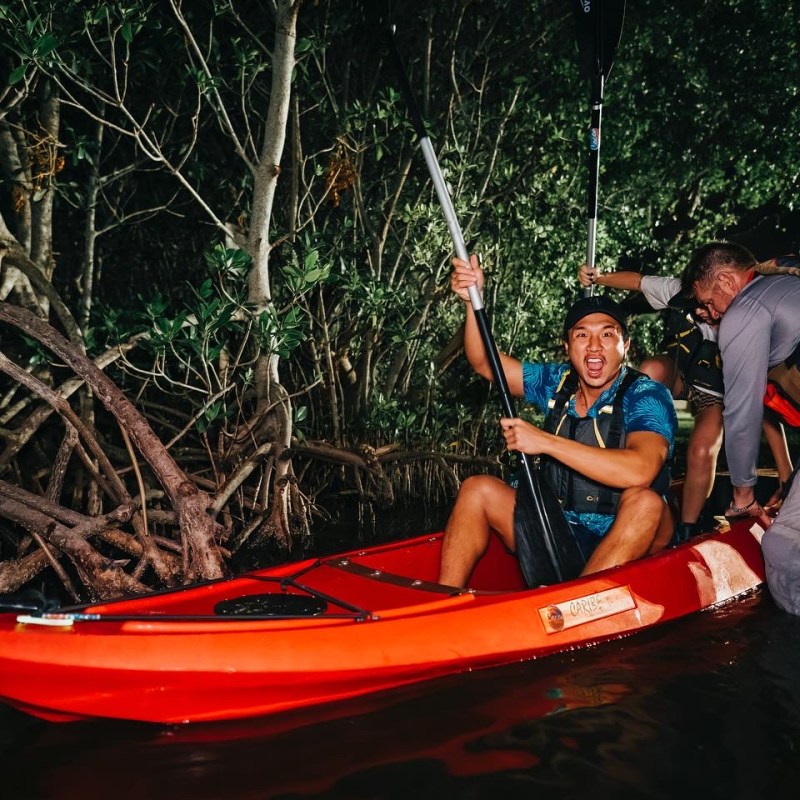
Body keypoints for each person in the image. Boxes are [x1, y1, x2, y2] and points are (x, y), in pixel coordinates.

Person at [438, 255, 677, 588]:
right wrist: (471, 301)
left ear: (626, 346)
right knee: (477, 488)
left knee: (647, 502)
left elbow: (640, 470)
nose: (594, 346)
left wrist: (545, 441)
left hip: (627, 539)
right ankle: (445, 601)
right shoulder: (557, 381)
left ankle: (577, 603)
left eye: (607, 335)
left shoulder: (646, 394)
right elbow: (485, 363)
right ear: (567, 347)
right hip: (558, 529)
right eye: (582, 336)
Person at [579, 262, 794, 536]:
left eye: (708, 305)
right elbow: (638, 281)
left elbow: (761, 409)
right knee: (651, 371)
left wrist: (785, 475)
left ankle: (687, 528)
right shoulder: (686, 291)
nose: (704, 312)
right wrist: (599, 277)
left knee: (702, 448)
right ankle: (636, 449)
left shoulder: (747, 321)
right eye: (699, 305)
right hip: (684, 374)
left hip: (717, 395)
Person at [682, 241, 800, 614]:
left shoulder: (744, 311)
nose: (708, 313)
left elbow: (742, 413)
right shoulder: (783, 286)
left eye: (707, 301)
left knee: (783, 545)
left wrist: (743, 496)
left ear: (727, 280)